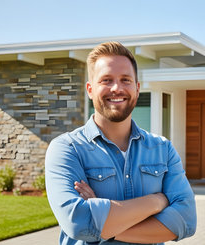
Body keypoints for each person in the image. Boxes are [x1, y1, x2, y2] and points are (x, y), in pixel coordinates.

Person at [45, 41, 196, 245]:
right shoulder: (67, 149)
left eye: (125, 80)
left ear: (137, 88)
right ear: (90, 89)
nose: (117, 88)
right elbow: (78, 223)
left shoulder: (162, 149)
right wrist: (157, 201)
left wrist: (103, 223)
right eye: (106, 80)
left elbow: (185, 220)